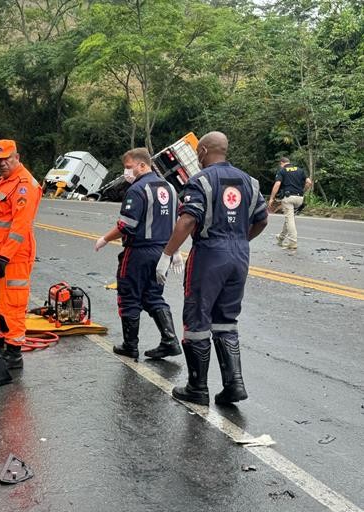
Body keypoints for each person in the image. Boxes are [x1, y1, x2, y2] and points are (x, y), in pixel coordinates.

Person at [157, 131, 268, 405]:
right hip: (239, 254)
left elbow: (187, 221)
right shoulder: (250, 181)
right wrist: (240, 239)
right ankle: (234, 385)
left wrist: (167, 254)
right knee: (226, 319)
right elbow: (263, 220)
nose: (197, 156)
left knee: (197, 318)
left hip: (209, 254)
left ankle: (197, 387)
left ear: (204, 151)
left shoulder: (201, 180)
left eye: (198, 152)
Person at [95, 148, 182, 361]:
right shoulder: (170, 188)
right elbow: (177, 219)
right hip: (163, 252)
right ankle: (170, 340)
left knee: (128, 296)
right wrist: (175, 250)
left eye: (128, 167)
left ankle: (130, 345)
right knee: (153, 295)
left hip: (139, 252)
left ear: (142, 165)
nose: (126, 172)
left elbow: (126, 226)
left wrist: (105, 238)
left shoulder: (137, 190)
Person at [0, 140, 42, 370]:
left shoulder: (24, 185)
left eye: (7, 158)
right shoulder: (6, 182)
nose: (2, 163)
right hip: (0, 256)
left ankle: (13, 353)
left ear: (17, 156)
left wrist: (5, 256)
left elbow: (20, 225)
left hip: (14, 257)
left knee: (12, 303)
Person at [268, 157, 312, 250]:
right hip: (299, 198)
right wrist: (303, 191)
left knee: (290, 219)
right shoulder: (300, 170)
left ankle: (293, 242)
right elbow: (309, 182)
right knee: (289, 218)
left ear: (282, 163)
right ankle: (281, 237)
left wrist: (271, 198)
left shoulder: (282, 171)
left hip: (288, 198)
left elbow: (277, 184)